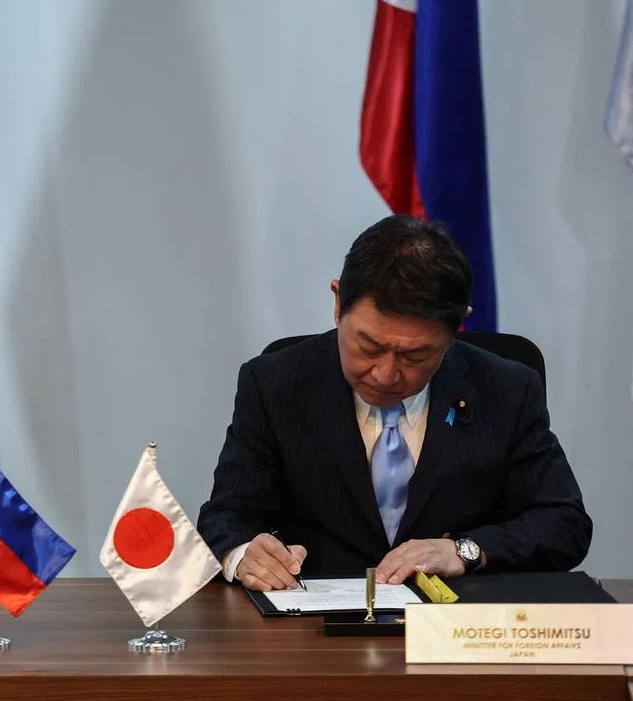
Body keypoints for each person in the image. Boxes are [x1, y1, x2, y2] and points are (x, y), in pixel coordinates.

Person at [197, 215, 592, 592]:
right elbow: (227, 516)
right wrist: (245, 554)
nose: (385, 375)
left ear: (457, 328)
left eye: (415, 356)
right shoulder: (275, 384)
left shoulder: (506, 389)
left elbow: (563, 523)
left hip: (456, 630)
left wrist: (464, 551)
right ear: (337, 304)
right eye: (368, 346)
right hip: (315, 632)